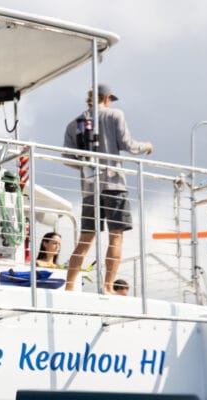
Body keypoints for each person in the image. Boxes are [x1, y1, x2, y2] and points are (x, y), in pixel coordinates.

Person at [63, 84, 152, 293]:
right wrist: (147, 146)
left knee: (85, 239)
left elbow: (67, 157)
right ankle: (108, 286)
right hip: (114, 184)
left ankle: (69, 286)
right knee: (116, 237)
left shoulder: (74, 123)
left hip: (89, 187)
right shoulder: (114, 115)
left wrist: (85, 167)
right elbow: (128, 145)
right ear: (106, 98)